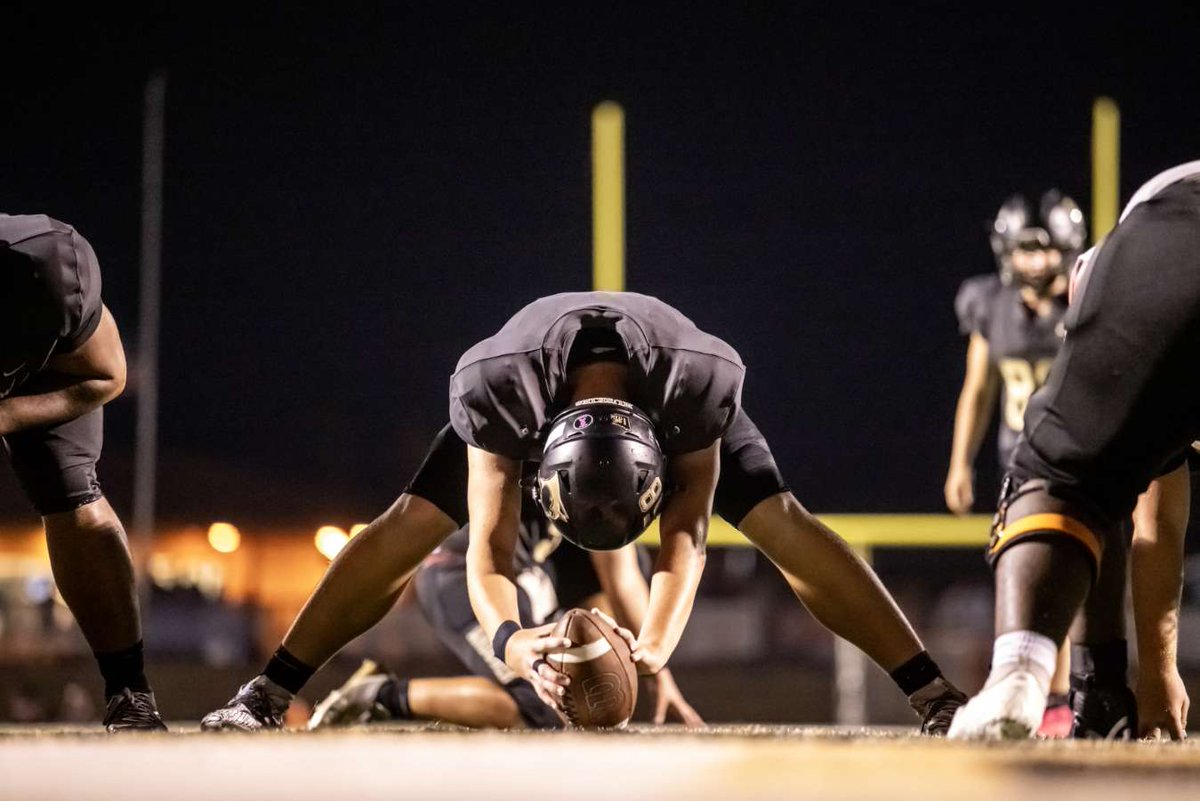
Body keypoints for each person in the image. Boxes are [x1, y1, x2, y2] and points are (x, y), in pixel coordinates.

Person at [203, 292, 964, 733]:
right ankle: (266, 692)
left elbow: (685, 539)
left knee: (784, 525)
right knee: (406, 525)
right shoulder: (502, 389)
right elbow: (489, 553)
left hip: (655, 403)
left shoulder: (692, 387)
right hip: (536, 407)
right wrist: (510, 642)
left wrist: (656, 644)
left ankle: (933, 693)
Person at [948, 161, 1200, 740]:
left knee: (1065, 480)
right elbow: (1158, 521)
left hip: (1161, 241)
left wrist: (1158, 672)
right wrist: (1158, 670)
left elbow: (1154, 520)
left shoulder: (1136, 270)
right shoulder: (993, 311)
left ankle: (1020, 676)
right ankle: (1089, 693)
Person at [307, 500, 701, 729]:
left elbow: (603, 595)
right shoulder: (597, 472)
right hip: (463, 572)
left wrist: (646, 670)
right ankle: (380, 695)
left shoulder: (592, 468)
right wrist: (654, 668)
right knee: (546, 705)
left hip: (527, 573)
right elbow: (620, 580)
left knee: (560, 696)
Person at [1, 214, 165, 731]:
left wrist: (7, 415)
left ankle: (129, 693)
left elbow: (108, 374)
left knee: (72, 496)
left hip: (50, 370)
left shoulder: (41, 267)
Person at [945, 191, 1085, 736]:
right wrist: (960, 464)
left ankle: (1058, 699)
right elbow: (977, 389)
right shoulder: (989, 304)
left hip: (1075, 453)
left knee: (1064, 575)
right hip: (1016, 461)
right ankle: (1042, 695)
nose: (1033, 261)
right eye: (1024, 249)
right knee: (1018, 570)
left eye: (1044, 249)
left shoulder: (1082, 298)